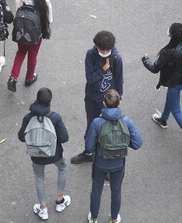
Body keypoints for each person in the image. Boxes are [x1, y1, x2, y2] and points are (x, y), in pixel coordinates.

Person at [142, 22, 182, 155]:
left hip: (173, 83)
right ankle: (163, 119)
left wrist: (145, 59)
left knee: (176, 111)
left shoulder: (168, 52)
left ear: (173, 35)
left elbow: (154, 68)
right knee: (170, 96)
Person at [85, 89, 142, 223]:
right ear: (119, 103)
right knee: (116, 190)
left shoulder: (97, 123)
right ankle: (114, 219)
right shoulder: (126, 121)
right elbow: (138, 143)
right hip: (118, 163)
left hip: (100, 163)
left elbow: (89, 147)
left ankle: (93, 218)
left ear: (104, 103)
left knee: (96, 190)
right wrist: (123, 143)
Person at [18, 88, 71, 221]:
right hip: (54, 154)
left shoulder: (28, 117)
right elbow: (64, 138)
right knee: (62, 168)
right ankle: (60, 200)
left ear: (36, 99)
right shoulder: (54, 117)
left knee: (39, 177)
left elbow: (21, 137)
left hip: (36, 156)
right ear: (50, 102)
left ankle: (43, 208)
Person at [72, 31, 124, 164]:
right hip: (92, 99)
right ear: (97, 47)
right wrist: (104, 69)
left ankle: (106, 159)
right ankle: (88, 152)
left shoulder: (117, 58)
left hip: (109, 101)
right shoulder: (91, 54)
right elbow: (90, 79)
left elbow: (119, 80)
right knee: (91, 126)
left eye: (108, 50)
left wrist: (119, 98)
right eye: (102, 50)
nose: (105, 52)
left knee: (108, 131)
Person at [7, 0, 52, 92]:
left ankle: (13, 77)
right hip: (36, 34)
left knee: (20, 52)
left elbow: (17, 10)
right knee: (33, 55)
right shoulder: (45, 1)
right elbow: (49, 20)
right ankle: (29, 78)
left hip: (21, 31)